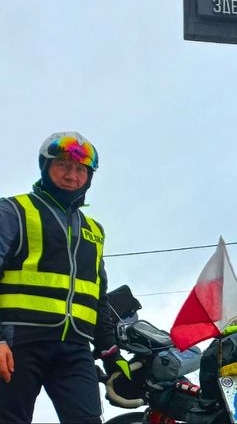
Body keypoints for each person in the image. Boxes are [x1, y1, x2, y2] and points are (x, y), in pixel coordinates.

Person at [0, 132, 127, 424]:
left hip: (74, 350)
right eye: (63, 166)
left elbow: (98, 297)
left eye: (81, 169)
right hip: (18, 343)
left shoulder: (94, 230)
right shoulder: (13, 211)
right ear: (45, 168)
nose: (72, 175)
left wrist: (110, 352)